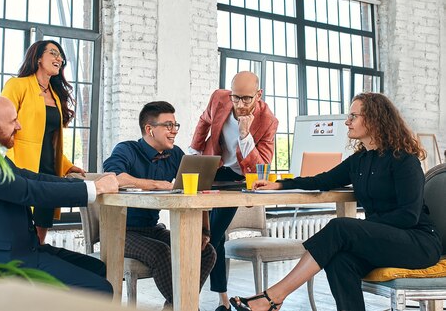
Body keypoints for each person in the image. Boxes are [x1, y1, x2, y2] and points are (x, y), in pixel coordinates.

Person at [230, 93, 442, 311]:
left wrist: (363, 228)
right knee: (340, 261)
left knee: (340, 227)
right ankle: (274, 300)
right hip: (384, 240)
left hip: (418, 243)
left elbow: (409, 216)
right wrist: (281, 184)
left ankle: (272, 297)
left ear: (374, 119)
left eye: (353, 116)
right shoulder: (359, 160)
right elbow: (322, 179)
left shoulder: (404, 159)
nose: (347, 122)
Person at [0, 95, 119, 295]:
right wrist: (95, 190)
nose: (19, 126)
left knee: (98, 269)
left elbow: (32, 179)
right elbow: (29, 191)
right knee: (99, 290)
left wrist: (89, 184)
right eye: (13, 121)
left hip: (18, 250)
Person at [103, 101, 217, 307]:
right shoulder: (127, 149)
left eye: (175, 125)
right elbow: (114, 177)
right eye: (168, 126)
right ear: (149, 129)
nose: (174, 131)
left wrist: (203, 231)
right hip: (122, 232)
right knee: (162, 252)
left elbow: (198, 192)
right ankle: (186, 305)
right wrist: (155, 184)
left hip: (153, 229)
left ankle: (176, 305)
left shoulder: (175, 155)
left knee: (207, 251)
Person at [189, 71, 278, 311]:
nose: (239, 104)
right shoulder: (219, 99)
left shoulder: (268, 121)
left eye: (246, 99)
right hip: (211, 167)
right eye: (235, 97)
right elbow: (204, 121)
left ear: (258, 95)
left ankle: (203, 299)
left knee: (213, 235)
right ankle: (217, 301)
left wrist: (245, 135)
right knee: (200, 232)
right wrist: (195, 152)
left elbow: (261, 167)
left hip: (238, 177)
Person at [2, 40, 85, 244]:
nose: (59, 59)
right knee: (19, 230)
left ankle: (36, 271)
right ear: (38, 57)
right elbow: (3, 123)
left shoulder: (56, 96)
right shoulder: (17, 85)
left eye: (61, 56)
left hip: (48, 171)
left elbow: (51, 141)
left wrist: (66, 166)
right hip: (22, 168)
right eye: (54, 53)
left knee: (40, 236)